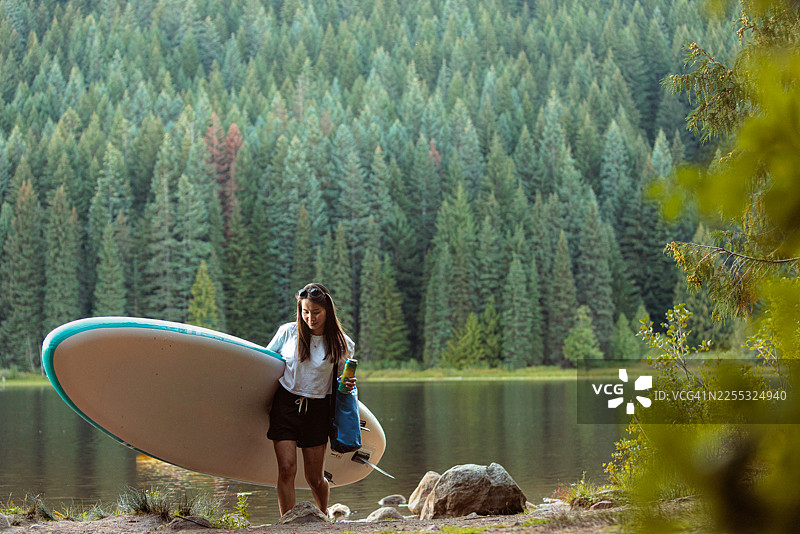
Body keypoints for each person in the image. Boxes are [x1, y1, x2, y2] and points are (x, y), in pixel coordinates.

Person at [266, 283, 356, 516]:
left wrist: (345, 385)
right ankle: (288, 523)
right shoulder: (288, 332)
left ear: (327, 311)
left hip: (317, 410)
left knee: (314, 478)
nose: (310, 317)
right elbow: (265, 364)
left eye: (315, 312)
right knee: (286, 469)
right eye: (305, 311)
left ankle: (322, 515)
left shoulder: (341, 343)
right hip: (285, 405)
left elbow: (339, 383)